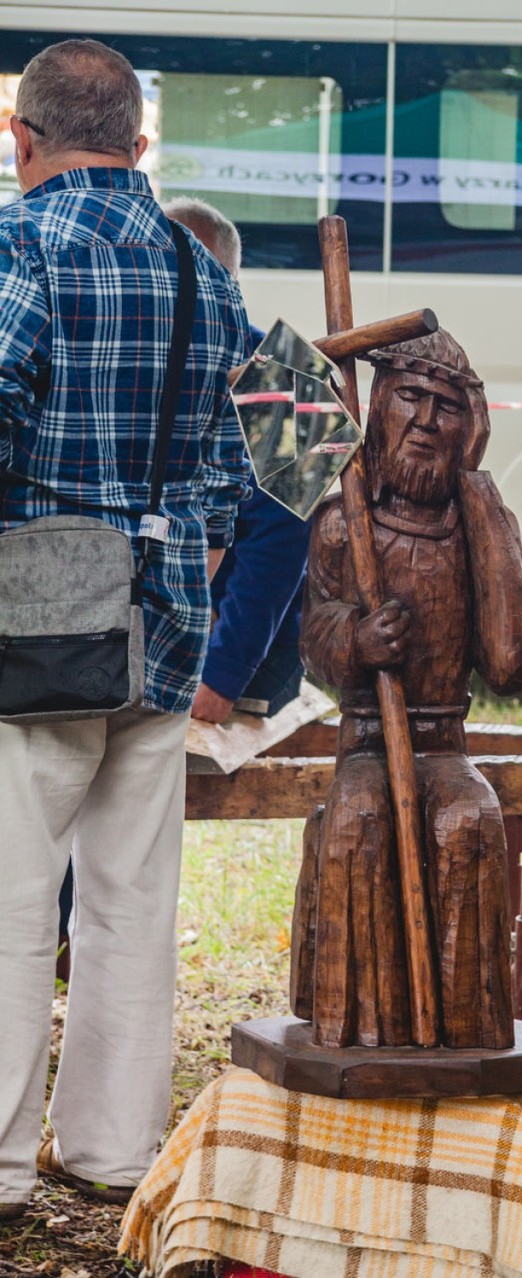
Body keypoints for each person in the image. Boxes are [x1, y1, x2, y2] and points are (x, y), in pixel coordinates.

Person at [0, 40, 251, 1219]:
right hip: (166, 626)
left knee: (6, 904)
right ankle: (108, 1153)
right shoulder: (203, 266)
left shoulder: (22, 244)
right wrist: (176, 542)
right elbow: (238, 464)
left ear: (21, 141)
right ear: (140, 144)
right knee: (132, 902)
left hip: (33, 623)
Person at [292, 328, 522, 1050]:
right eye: (411, 398)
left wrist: (487, 509)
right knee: (356, 822)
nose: (428, 422)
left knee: (469, 823)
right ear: (377, 404)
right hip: (367, 741)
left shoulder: (477, 529)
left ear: (473, 427)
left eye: (448, 407)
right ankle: (358, 1028)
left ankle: (461, 1030)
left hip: (444, 744)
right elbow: (313, 641)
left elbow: (511, 666)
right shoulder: (345, 523)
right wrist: (356, 641)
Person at [161, 198, 312, 725]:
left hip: (243, 652)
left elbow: (284, 542)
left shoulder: (283, 374)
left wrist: (221, 677)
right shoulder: (150, 351)